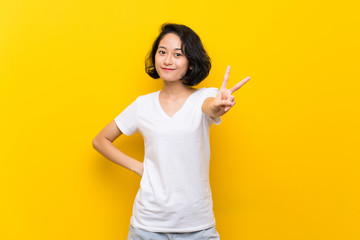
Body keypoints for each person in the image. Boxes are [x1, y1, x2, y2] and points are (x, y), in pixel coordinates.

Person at [92, 23, 250, 240]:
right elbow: (100, 140)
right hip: (147, 226)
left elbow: (210, 106)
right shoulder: (142, 105)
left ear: (191, 63)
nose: (167, 60)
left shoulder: (204, 97)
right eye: (162, 52)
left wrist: (218, 105)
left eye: (178, 54)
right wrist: (139, 167)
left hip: (198, 227)